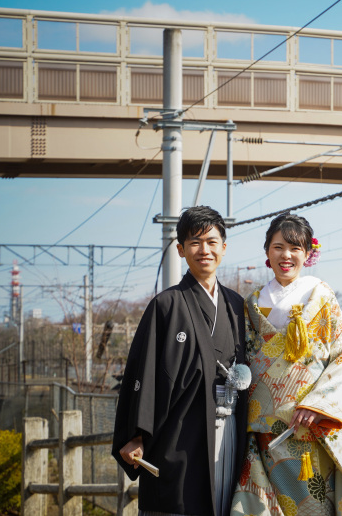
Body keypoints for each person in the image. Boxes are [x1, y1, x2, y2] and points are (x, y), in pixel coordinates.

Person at [112, 206, 248, 516]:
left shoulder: (236, 305)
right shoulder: (165, 305)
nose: (204, 250)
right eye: (195, 242)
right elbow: (143, 374)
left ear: (224, 248)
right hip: (178, 435)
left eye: (212, 242)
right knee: (177, 503)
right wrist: (136, 435)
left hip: (229, 430)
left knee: (225, 504)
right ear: (180, 250)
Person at [231, 214, 342, 516]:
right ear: (267, 251)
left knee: (311, 504)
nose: (286, 255)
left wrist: (317, 404)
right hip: (263, 426)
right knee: (265, 503)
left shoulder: (322, 297)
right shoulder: (253, 302)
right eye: (278, 247)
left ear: (308, 253)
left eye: (295, 248)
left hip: (308, 423)